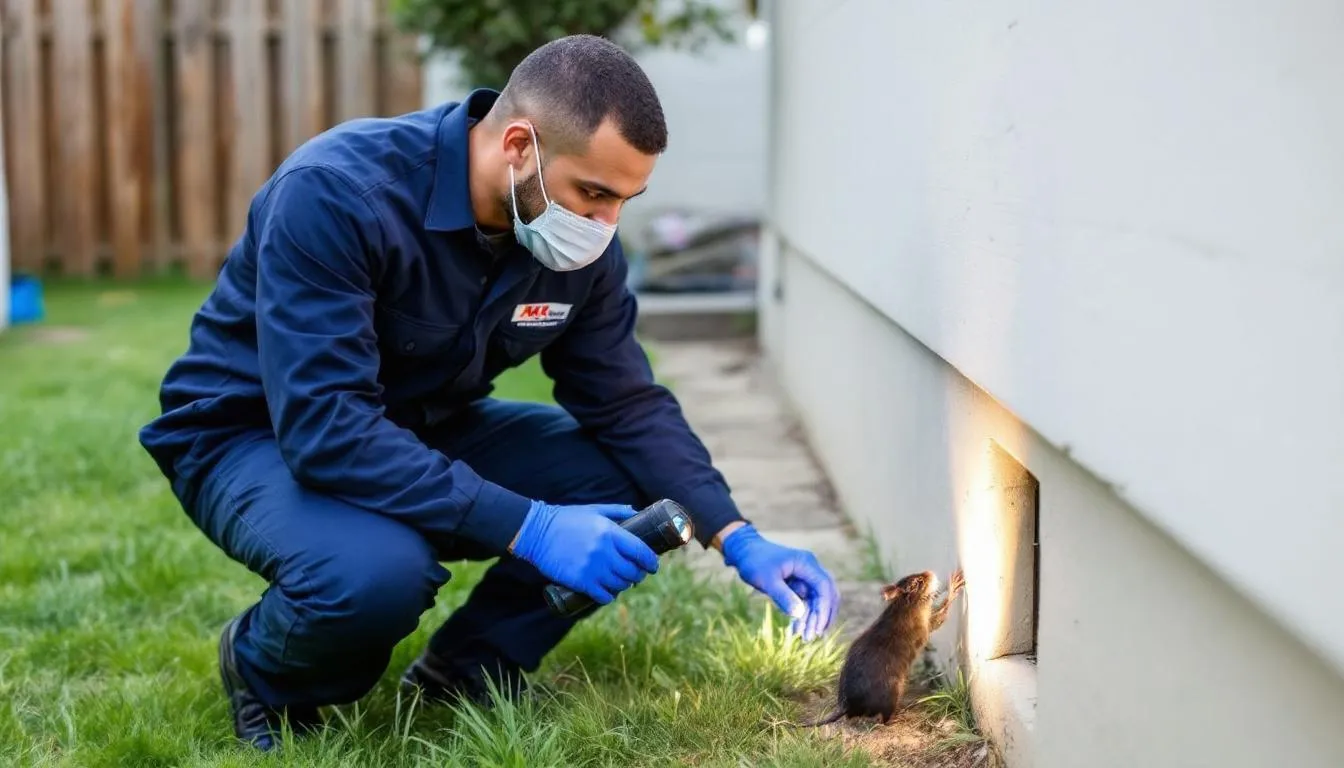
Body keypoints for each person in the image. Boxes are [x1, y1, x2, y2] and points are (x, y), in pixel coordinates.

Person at [138, 34, 839, 751]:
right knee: (376, 573)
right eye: (593, 193)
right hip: (257, 436)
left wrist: (735, 533)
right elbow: (327, 428)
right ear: (517, 146)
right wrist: (530, 526)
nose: (605, 227)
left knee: (639, 487)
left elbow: (626, 402)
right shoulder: (337, 194)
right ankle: (267, 675)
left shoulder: (576, 244)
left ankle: (468, 669)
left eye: (626, 200)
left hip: (418, 426)